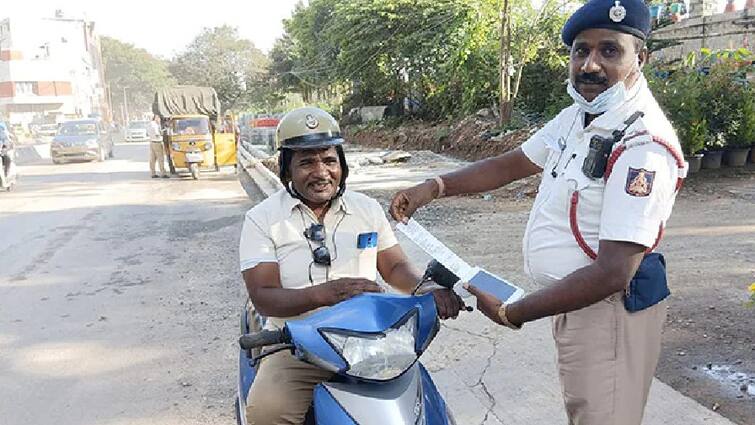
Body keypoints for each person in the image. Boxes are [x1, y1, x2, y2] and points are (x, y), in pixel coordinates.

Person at [389, 1, 687, 424]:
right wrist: (434, 186)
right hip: (576, 303)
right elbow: (510, 164)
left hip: (610, 312)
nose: (590, 65)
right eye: (581, 50)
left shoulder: (643, 146)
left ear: (640, 58)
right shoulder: (580, 117)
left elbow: (613, 271)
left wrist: (515, 312)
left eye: (609, 51)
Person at [239, 107, 463, 425]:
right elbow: (264, 295)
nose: (321, 172)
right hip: (297, 343)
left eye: (329, 160)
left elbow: (395, 266)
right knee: (266, 412)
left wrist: (424, 287)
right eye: (306, 162)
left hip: (369, 343)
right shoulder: (263, 219)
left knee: (426, 408)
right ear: (286, 170)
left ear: (342, 164)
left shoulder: (366, 209)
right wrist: (327, 293)